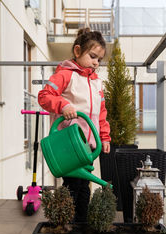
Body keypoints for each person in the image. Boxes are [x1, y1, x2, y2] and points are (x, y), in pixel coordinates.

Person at [38, 28, 111, 222]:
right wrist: (63, 105)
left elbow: (101, 114)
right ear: (77, 52)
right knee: (72, 184)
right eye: (93, 56)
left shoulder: (97, 84)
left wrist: (104, 137)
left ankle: (79, 224)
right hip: (69, 145)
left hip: (88, 146)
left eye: (99, 60)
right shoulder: (65, 75)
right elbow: (44, 96)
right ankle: (68, 223)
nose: (96, 63)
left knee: (84, 184)